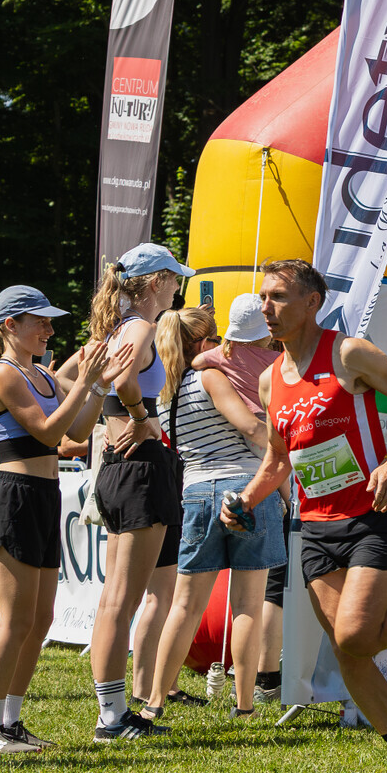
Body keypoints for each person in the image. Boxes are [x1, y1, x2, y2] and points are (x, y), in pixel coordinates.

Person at [234, 258, 387, 773]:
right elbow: (278, 459)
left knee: (356, 636)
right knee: (347, 649)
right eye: (263, 297)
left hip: (370, 515)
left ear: (312, 302)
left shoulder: (347, 353)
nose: (266, 307)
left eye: (278, 296)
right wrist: (245, 500)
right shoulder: (269, 381)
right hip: (314, 527)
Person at [0, 286, 124, 753]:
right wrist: (84, 380)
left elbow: (78, 429)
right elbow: (48, 432)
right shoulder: (4, 373)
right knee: (16, 621)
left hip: (43, 497)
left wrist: (98, 386)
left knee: (41, 620)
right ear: (10, 325)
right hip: (13, 497)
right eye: (41, 321)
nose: (50, 330)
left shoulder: (41, 373)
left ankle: (10, 722)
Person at [141, 305, 283, 720]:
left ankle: (154, 701)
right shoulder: (210, 377)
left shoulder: (166, 391)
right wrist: (288, 443)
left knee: (184, 606)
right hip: (246, 488)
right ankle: (244, 705)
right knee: (248, 604)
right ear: (203, 343)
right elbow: (250, 428)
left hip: (197, 493)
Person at [83, 242, 198, 739]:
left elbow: (94, 377)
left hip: (121, 468)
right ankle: (112, 717)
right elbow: (126, 381)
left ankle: (114, 712)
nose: (178, 288)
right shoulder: (140, 326)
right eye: (175, 279)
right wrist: (141, 416)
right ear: (157, 282)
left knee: (121, 597)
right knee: (121, 600)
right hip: (139, 469)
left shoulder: (116, 327)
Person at [194, 294, 285, 705]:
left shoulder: (217, 359)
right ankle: (256, 688)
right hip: (265, 460)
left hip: (222, 471)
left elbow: (198, 361)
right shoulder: (278, 363)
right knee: (261, 594)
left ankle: (156, 696)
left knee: (191, 600)